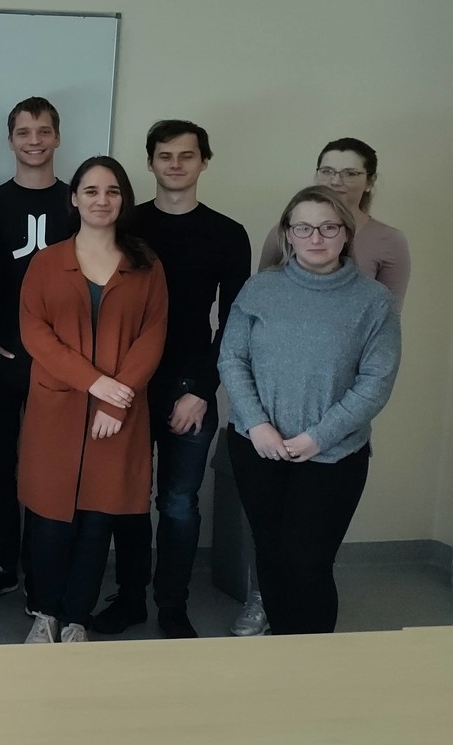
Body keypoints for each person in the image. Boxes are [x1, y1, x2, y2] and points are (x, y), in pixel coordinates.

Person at [236, 137, 411, 637]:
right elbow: (233, 358)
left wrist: (317, 437)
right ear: (287, 235)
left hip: (333, 453)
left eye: (329, 227)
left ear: (345, 233)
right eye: (304, 228)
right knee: (271, 552)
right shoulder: (260, 287)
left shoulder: (373, 301)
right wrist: (257, 425)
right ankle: (282, 648)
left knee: (309, 560)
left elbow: (376, 380)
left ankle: (313, 659)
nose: (316, 237)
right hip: (258, 446)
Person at [91, 120, 249, 640]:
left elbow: (234, 322)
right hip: (127, 383)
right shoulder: (128, 226)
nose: (175, 165)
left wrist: (203, 390)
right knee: (128, 499)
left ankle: (172, 606)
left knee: (178, 503)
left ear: (204, 161)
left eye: (186, 156)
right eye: (165, 155)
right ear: (150, 162)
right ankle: (130, 599)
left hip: (189, 384)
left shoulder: (227, 233)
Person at [18, 156, 168, 644]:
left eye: (112, 191)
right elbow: (35, 334)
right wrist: (94, 383)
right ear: (74, 198)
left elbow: (152, 337)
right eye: (91, 191)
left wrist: (115, 400)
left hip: (117, 414)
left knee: (97, 519)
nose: (102, 200)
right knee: (49, 519)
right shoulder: (46, 262)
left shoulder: (146, 265)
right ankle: (45, 613)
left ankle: (76, 619)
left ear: (123, 200)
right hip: (56, 410)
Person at [0, 97, 73, 607]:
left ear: (57, 137)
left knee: (50, 469)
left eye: (43, 131)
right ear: (10, 140)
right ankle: (3, 564)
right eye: (24, 132)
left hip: (61, 364)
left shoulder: (78, 202)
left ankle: (42, 574)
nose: (34, 141)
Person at [256, 138, 409, 309]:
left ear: (370, 181)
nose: (335, 181)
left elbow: (389, 313)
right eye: (327, 171)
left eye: (350, 173)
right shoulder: (286, 231)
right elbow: (261, 296)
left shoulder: (390, 240)